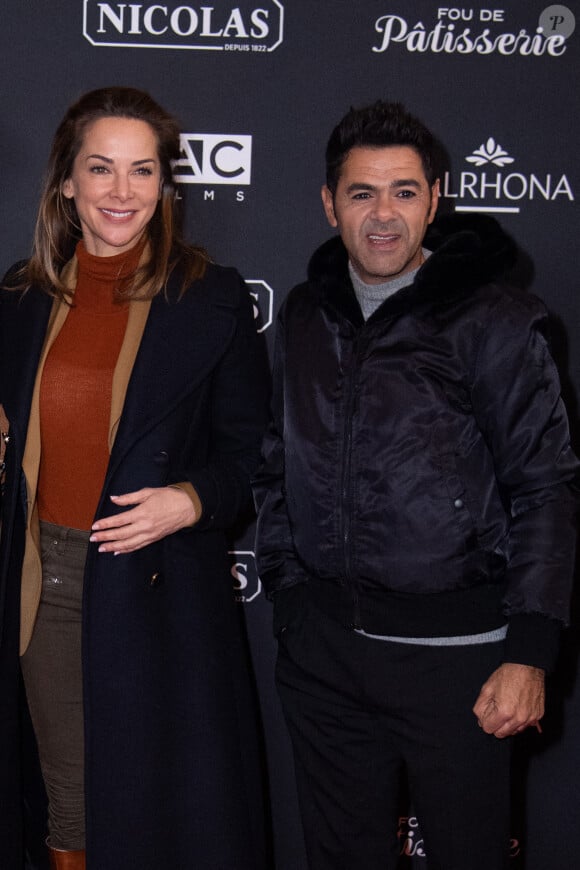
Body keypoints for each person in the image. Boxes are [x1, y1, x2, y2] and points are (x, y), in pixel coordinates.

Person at [253, 100, 579, 869]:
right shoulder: (304, 314)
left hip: (460, 663)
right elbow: (276, 461)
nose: (383, 216)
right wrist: (292, 597)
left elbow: (547, 488)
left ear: (436, 198)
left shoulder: (494, 319)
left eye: (404, 191)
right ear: (330, 204)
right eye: (361, 193)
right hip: (326, 657)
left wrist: (528, 653)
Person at [0, 86, 269, 870]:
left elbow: (253, 457)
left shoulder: (210, 298)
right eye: (102, 169)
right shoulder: (18, 299)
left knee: (169, 804)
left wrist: (189, 501)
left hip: (162, 588)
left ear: (164, 185)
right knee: (70, 798)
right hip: (44, 581)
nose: (123, 192)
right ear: (66, 184)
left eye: (142, 171)